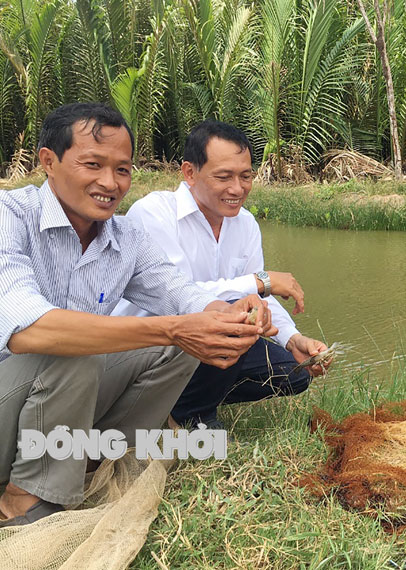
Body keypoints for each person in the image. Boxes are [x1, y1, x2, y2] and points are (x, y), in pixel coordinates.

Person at [0, 103, 274, 526]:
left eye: (123, 170)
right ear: (48, 161)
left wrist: (229, 314)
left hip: (56, 418)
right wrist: (172, 327)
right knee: (77, 349)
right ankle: (24, 498)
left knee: (181, 346)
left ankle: (97, 457)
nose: (109, 183)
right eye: (92, 164)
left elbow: (179, 294)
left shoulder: (126, 235)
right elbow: (30, 330)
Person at [113, 120, 328, 430]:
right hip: (149, 345)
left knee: (292, 372)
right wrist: (259, 281)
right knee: (232, 325)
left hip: (204, 342)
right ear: (189, 173)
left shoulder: (245, 224)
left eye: (245, 176)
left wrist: (293, 339)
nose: (237, 189)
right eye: (223, 177)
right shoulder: (154, 213)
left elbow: (256, 299)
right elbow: (176, 296)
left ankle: (177, 399)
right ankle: (189, 414)